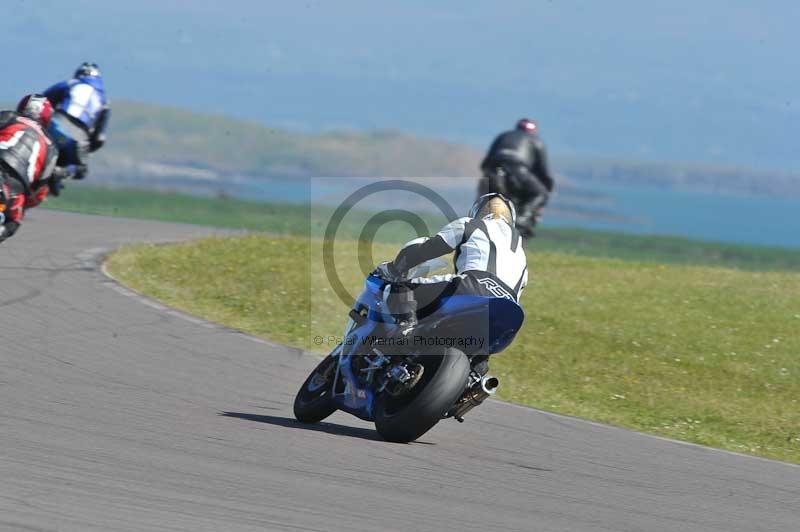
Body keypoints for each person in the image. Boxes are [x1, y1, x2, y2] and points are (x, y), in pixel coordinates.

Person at [376, 193, 528, 372]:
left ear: (478, 211)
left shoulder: (471, 224)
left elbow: (429, 248)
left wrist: (395, 268)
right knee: (479, 360)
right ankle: (474, 380)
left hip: (471, 286)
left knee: (400, 288)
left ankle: (405, 332)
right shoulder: (522, 255)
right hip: (508, 311)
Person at [0, 95, 62, 242]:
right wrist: (26, 202)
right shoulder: (52, 148)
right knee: (13, 222)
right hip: (17, 189)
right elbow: (40, 188)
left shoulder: (8, 116)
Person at [479, 118, 555, 237]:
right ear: (533, 130)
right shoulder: (535, 141)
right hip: (518, 172)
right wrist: (549, 189)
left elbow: (485, 163)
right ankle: (521, 220)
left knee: (484, 204)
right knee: (541, 193)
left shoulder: (503, 136)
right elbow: (544, 172)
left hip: (493, 174)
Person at [43, 62, 110, 180]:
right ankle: (61, 172)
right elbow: (99, 139)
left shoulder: (71, 83)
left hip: (56, 123)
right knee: (80, 169)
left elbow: (43, 100)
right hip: (78, 139)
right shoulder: (104, 102)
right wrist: (84, 150)